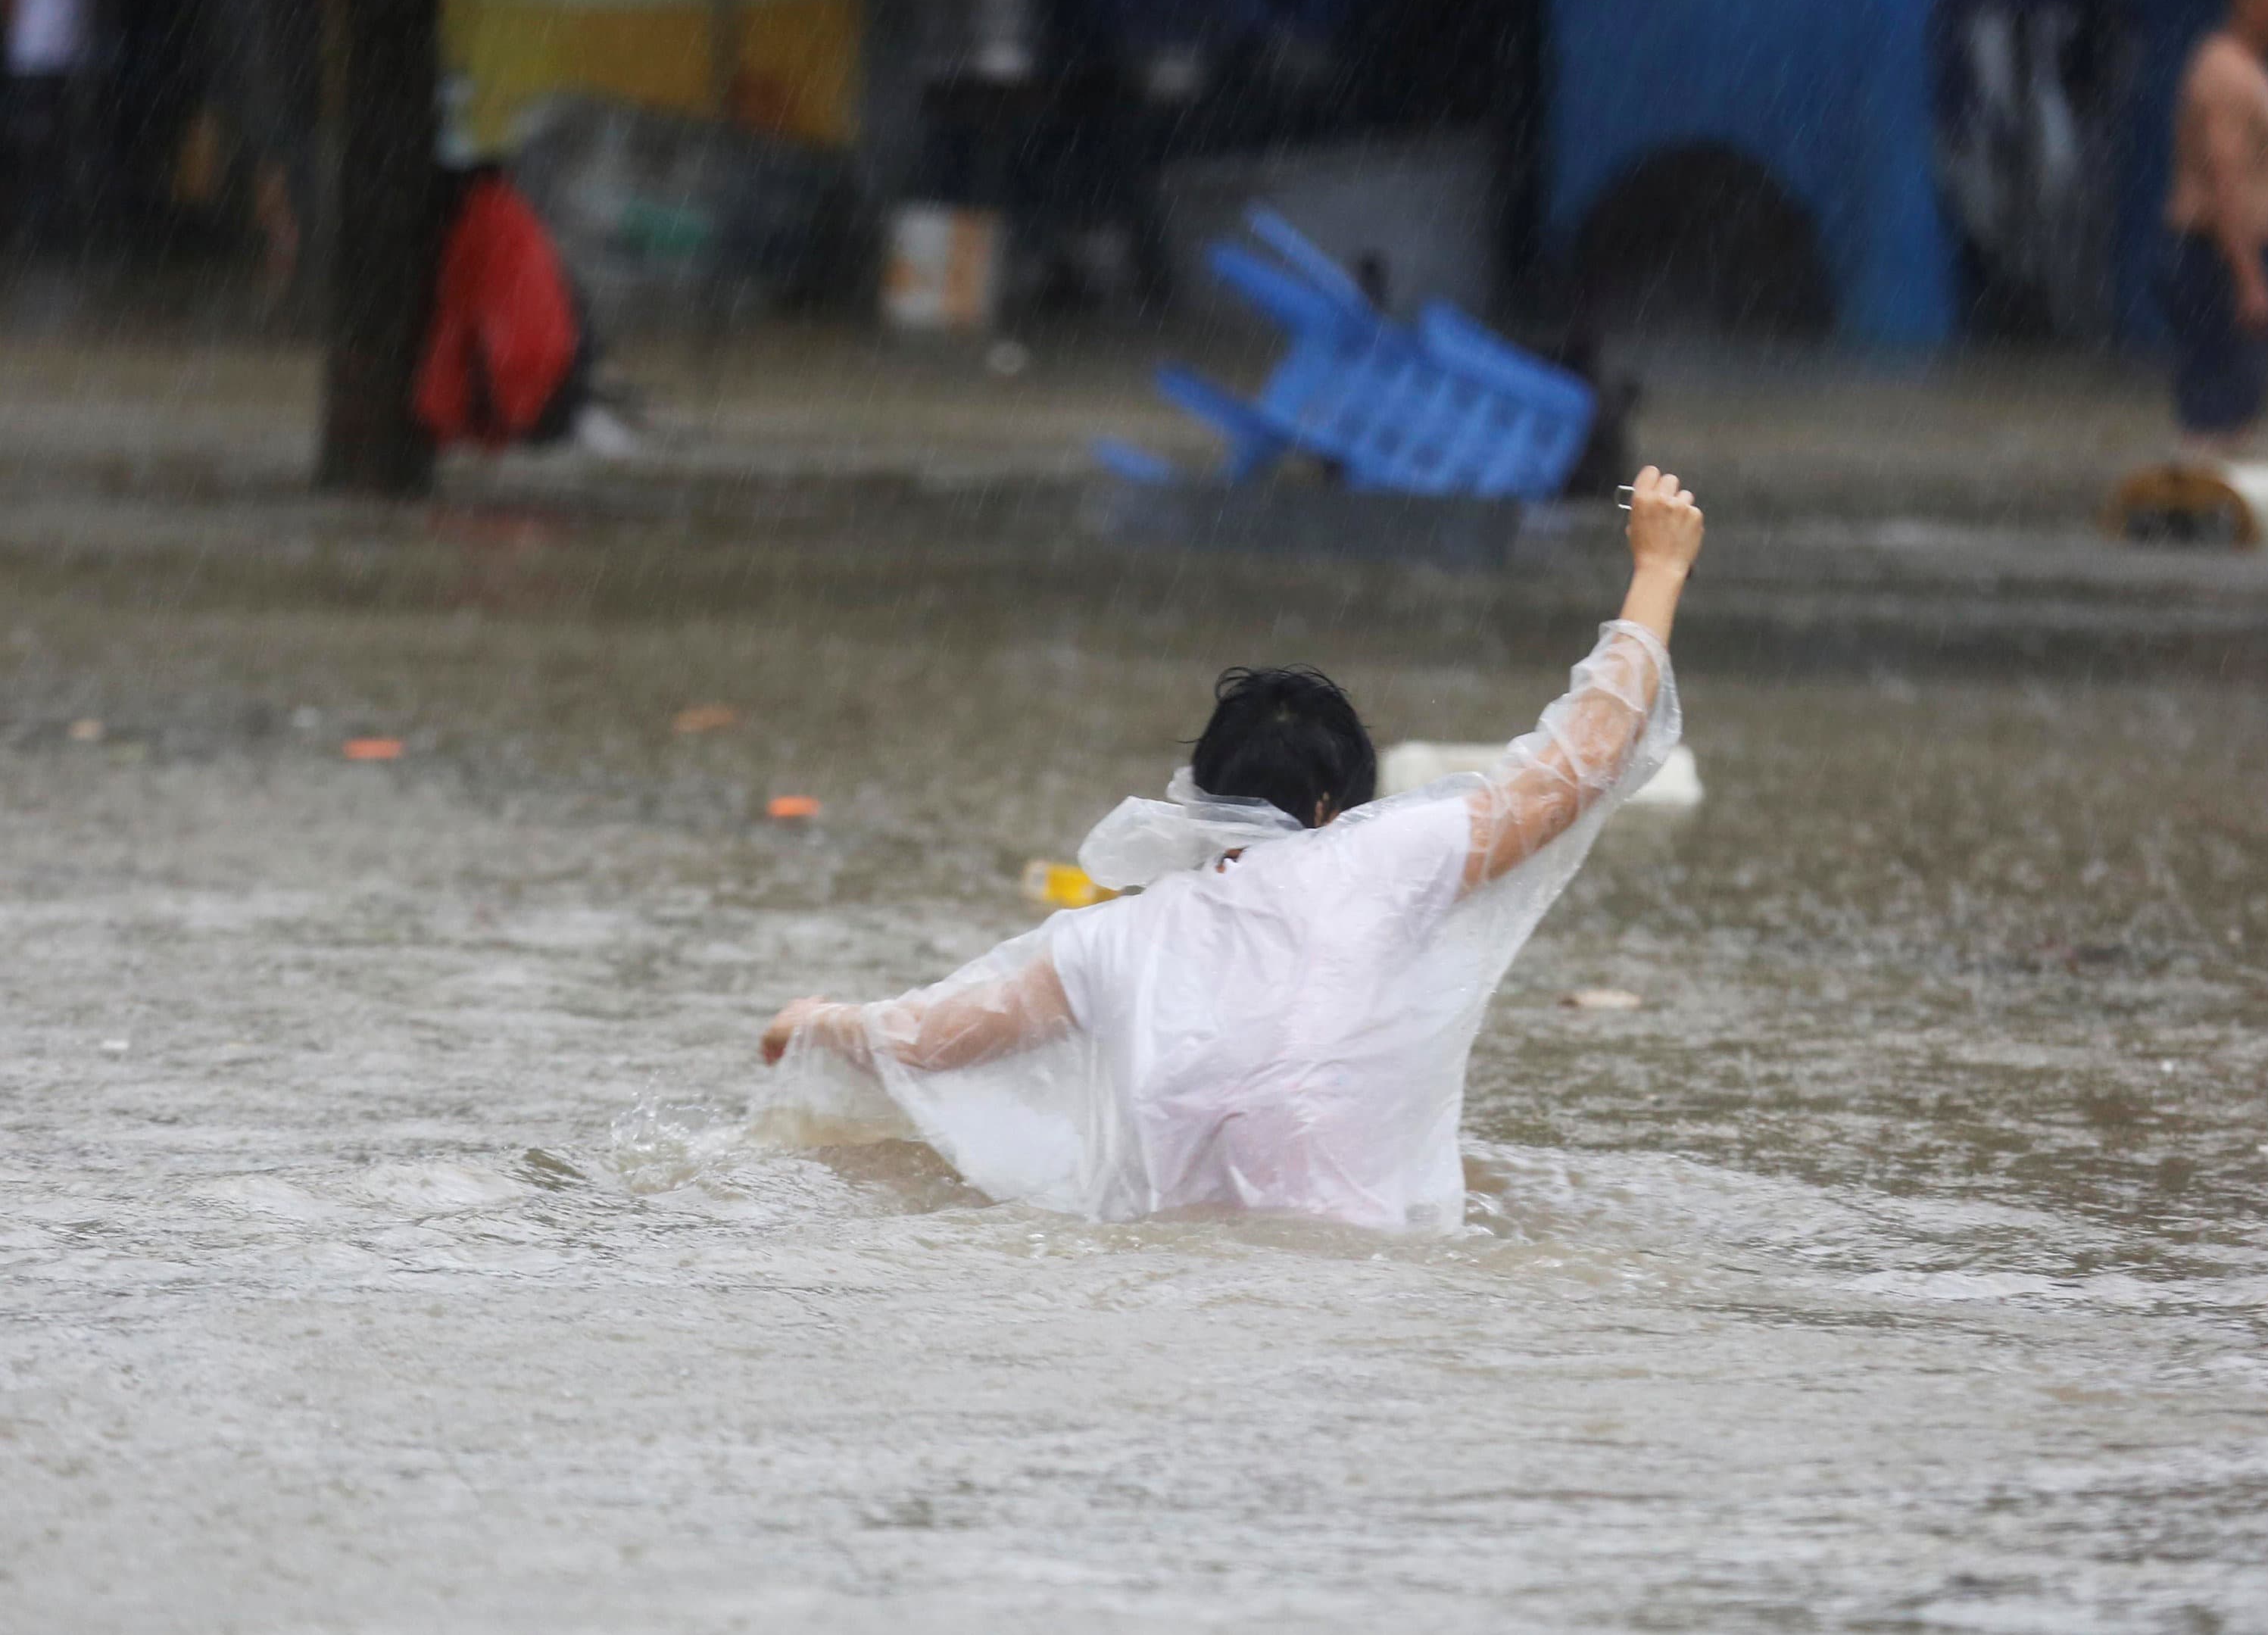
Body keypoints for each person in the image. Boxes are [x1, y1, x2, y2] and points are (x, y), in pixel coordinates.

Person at [758, 466, 1707, 1232]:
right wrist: (1656, 570)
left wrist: (817, 1020)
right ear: (1335, 803)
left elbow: (928, 1038)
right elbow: (1584, 758)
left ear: (1204, 799)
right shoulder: (1390, 860)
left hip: (1175, 1283)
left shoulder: (1114, 941)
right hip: (1366, 1284)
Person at [2160, 0, 2268, 462]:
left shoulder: (2248, 70)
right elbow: (2225, 180)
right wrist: (2248, 278)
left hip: (2220, 257)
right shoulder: (2226, 74)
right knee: (2218, 419)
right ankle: (2198, 519)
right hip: (2212, 258)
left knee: (2237, 411)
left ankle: (2208, 516)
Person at [413, 164, 596, 451]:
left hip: (526, 387)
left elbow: (454, 328)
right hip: (556, 369)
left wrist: (434, 419)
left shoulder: (476, 226)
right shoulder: (507, 212)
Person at [2, 0, 91, 258]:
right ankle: (36, 230)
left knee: (64, 145)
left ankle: (58, 229)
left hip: (71, 56)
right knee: (36, 144)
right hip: (32, 57)